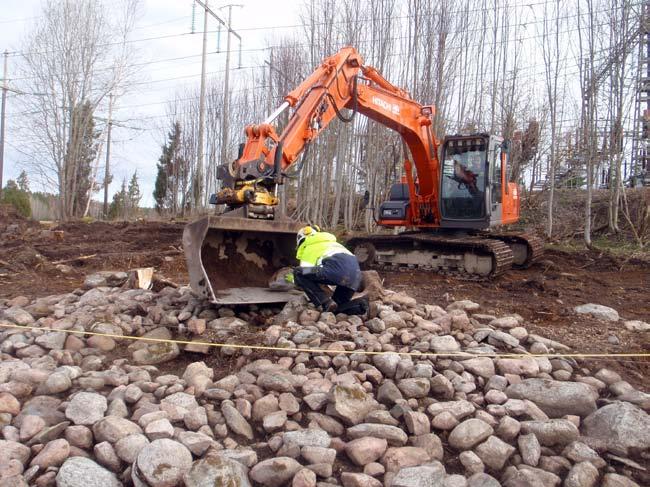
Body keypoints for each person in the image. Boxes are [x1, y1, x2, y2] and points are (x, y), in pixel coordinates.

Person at [288, 225, 364, 313]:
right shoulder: (333, 243)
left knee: (298, 272)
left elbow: (305, 270)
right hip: (355, 276)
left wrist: (292, 278)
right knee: (337, 306)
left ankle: (326, 302)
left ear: (301, 240)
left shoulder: (309, 246)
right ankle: (360, 305)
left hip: (335, 272)